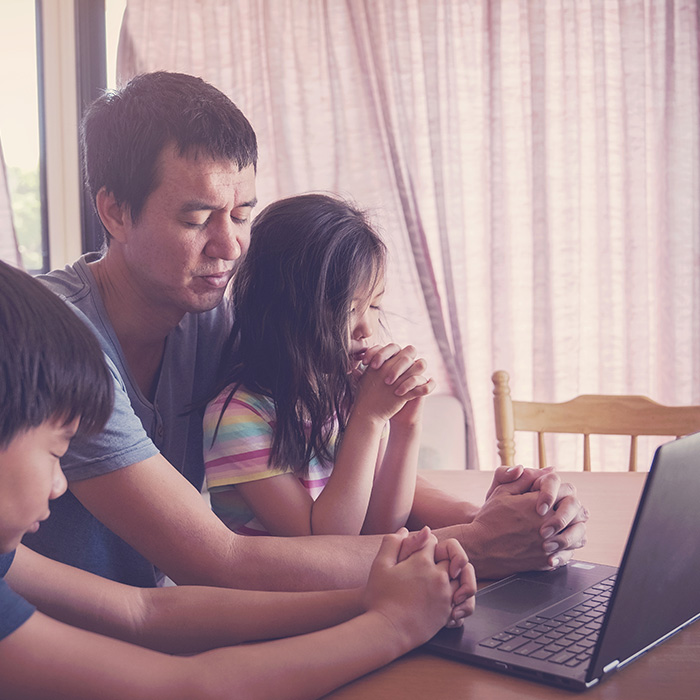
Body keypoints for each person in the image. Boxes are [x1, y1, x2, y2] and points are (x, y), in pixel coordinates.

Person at [24, 70, 587, 598]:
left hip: (167, 618)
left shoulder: (213, 312)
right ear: (115, 213)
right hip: (76, 650)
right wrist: (479, 546)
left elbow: (338, 463)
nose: (229, 248)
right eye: (197, 221)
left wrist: (497, 517)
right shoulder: (55, 343)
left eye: (241, 215)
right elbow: (217, 558)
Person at [0, 258, 475, 699]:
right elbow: (186, 686)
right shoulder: (236, 408)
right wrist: (393, 623)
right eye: (56, 449)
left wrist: (371, 599)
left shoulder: (9, 562)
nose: (61, 484)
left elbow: (144, 612)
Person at [203, 193, 435, 536]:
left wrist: (404, 426)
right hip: (282, 589)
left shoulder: (345, 393)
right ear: (287, 308)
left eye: (374, 307)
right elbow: (325, 544)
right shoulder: (238, 418)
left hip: (346, 584)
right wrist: (368, 420)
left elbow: (381, 527)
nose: (366, 329)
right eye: (349, 309)